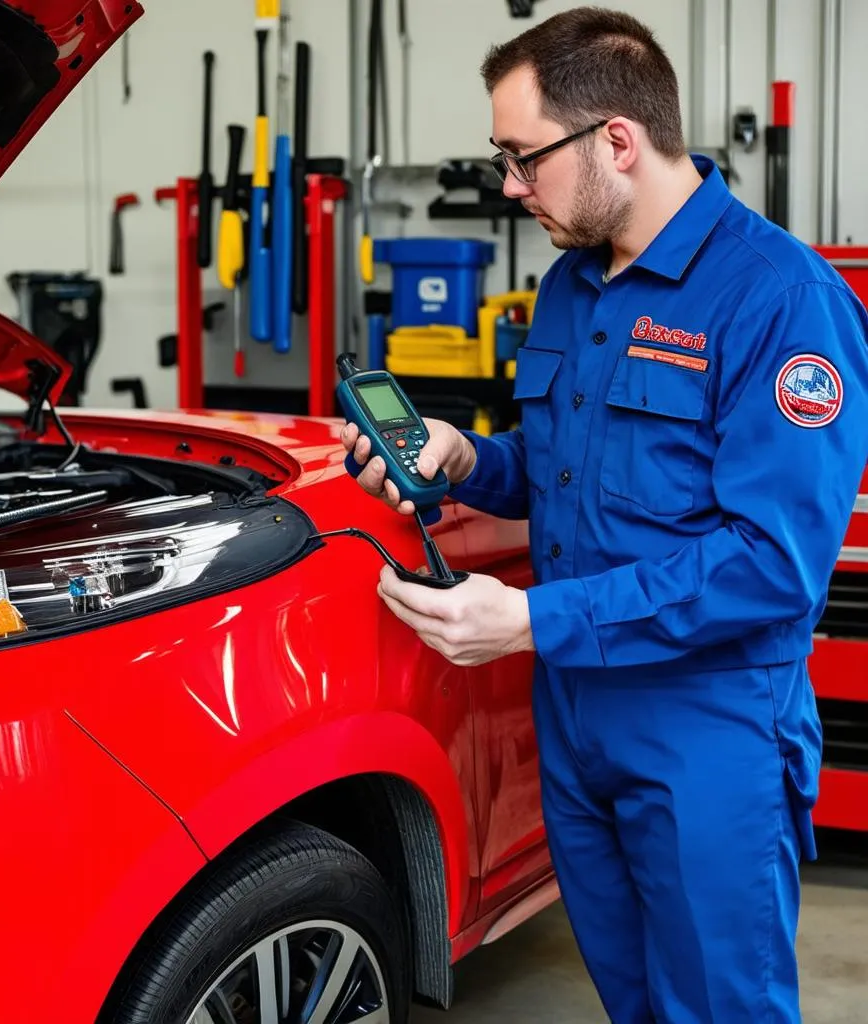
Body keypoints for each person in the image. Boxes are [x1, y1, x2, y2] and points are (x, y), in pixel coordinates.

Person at [341, 7, 868, 1022]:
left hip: (705, 727)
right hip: (577, 718)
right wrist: (466, 461)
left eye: (521, 157)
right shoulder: (574, 286)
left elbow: (771, 564)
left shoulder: (778, 299)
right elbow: (563, 469)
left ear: (615, 141)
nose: (508, 185)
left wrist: (535, 620)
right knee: (631, 999)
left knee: (719, 1007)